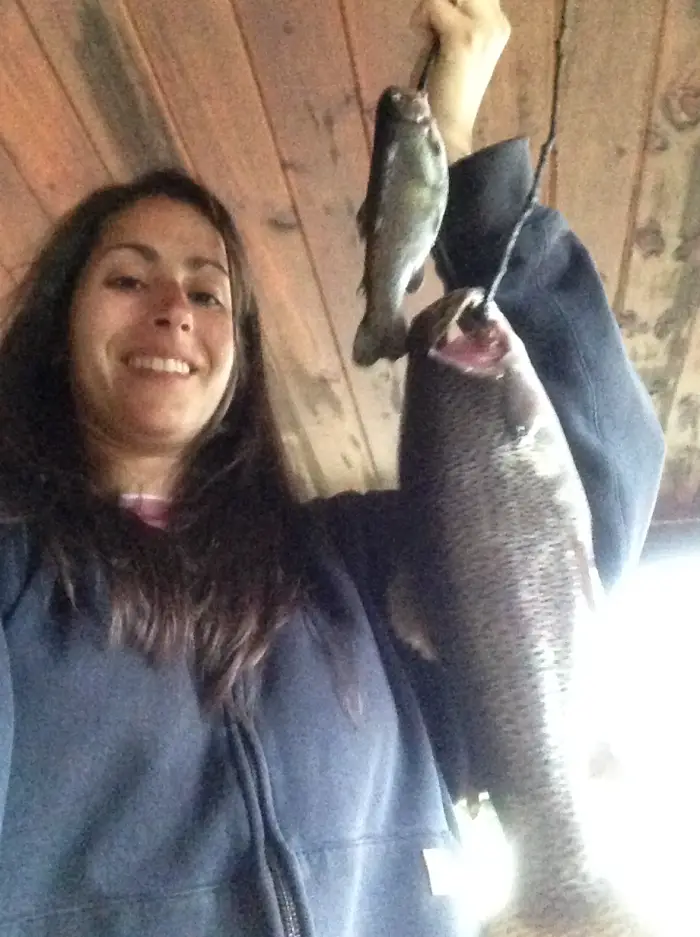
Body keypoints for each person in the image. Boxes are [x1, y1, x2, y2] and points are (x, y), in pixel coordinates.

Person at [0, 0, 664, 935]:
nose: (174, 309)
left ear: (241, 352)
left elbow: (582, 504)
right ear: (60, 324)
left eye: (206, 288)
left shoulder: (347, 562)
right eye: (126, 277)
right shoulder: (13, 578)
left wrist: (462, 161)